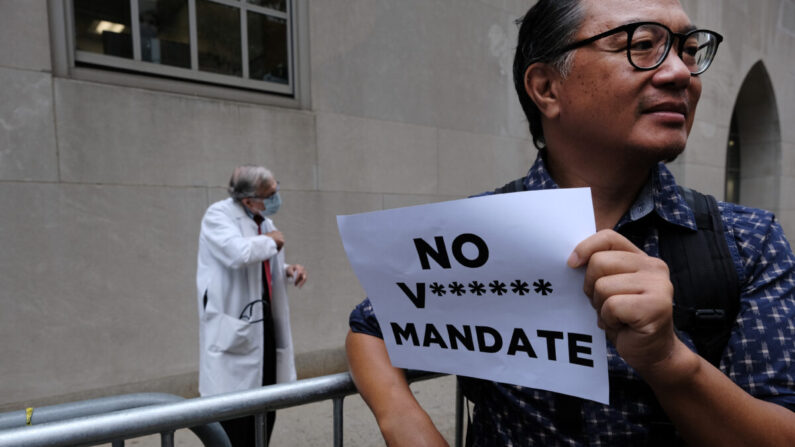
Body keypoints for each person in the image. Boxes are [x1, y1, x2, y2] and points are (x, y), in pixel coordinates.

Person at [346, 0, 795, 445]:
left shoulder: (749, 242)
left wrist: (669, 360)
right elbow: (372, 325)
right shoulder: (478, 233)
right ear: (546, 88)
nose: (681, 73)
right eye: (642, 44)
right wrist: (407, 425)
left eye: (689, 50)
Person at [196, 165, 307, 446]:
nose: (276, 198)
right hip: (235, 327)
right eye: (270, 194)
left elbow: (261, 267)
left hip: (264, 327)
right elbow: (239, 253)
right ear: (248, 200)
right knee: (234, 416)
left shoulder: (262, 221)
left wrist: (287, 271)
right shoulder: (218, 216)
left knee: (265, 403)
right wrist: (270, 242)